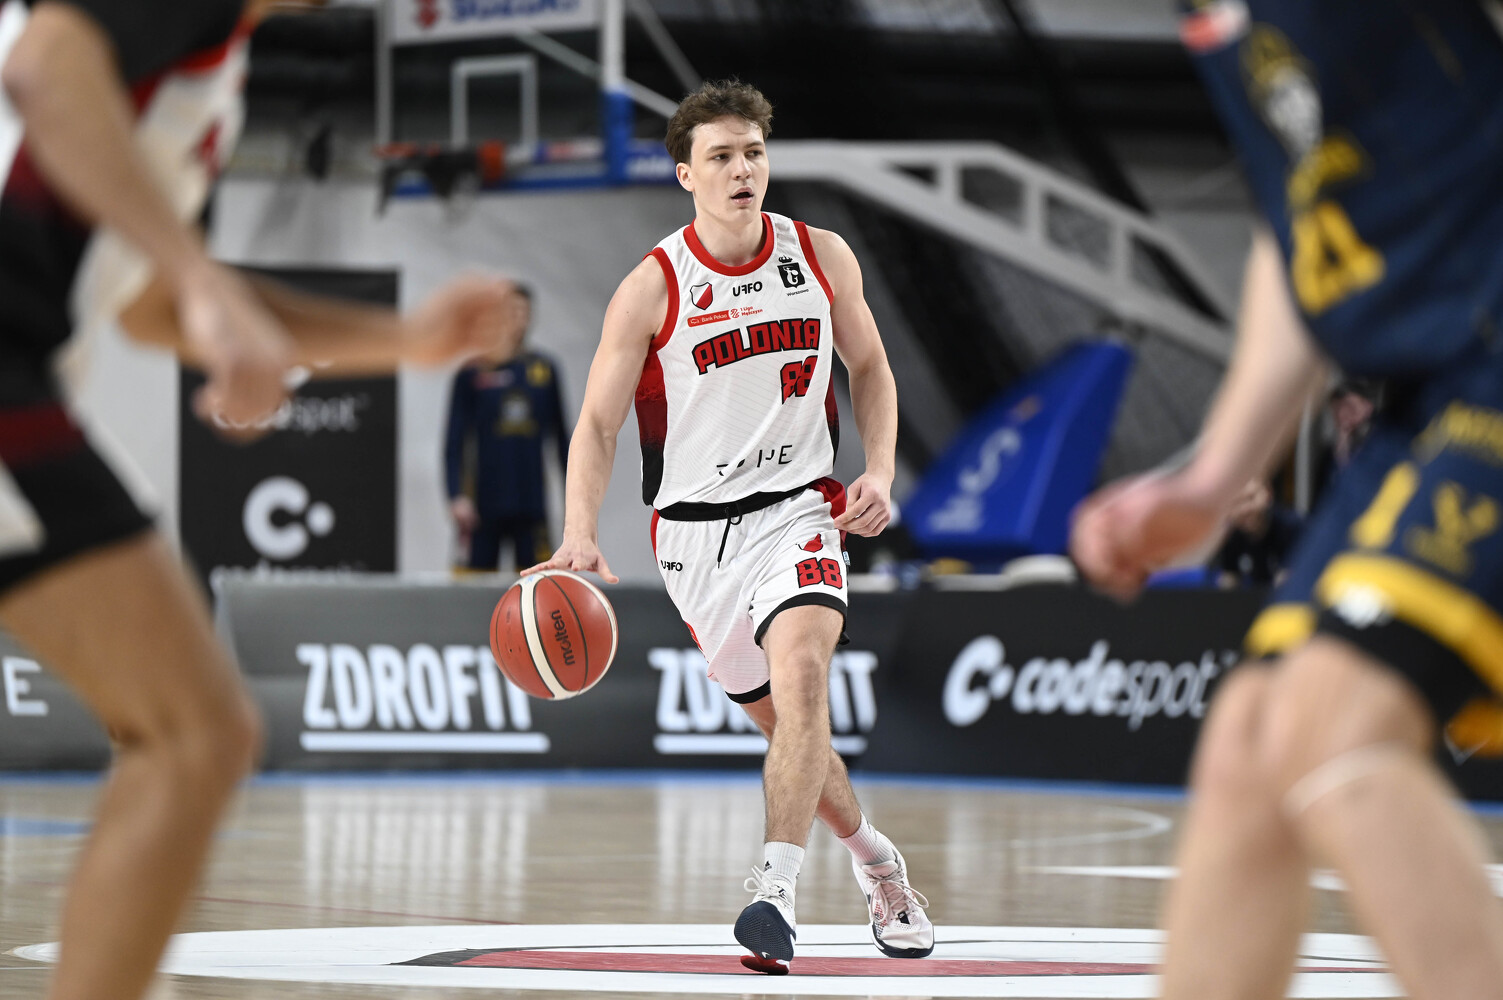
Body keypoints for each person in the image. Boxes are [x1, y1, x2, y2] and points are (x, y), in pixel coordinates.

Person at [0, 4, 525, 1000]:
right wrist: (202, 285)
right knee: (193, 733)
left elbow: (149, 303)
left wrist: (405, 341)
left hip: (25, 370)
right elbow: (44, 66)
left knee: (192, 734)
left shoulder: (215, 79)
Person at [1070, 3, 1503, 997]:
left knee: (1332, 727)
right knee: (1249, 745)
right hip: (1422, 399)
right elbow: (1299, 229)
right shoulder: (1215, 20)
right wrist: (1214, 476)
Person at [523, 80, 933, 974]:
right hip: (693, 541)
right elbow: (597, 425)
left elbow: (870, 367)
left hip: (799, 511)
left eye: (753, 153)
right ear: (685, 174)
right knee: (790, 734)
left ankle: (771, 895)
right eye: (720, 157)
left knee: (804, 677)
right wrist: (578, 531)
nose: (742, 170)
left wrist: (877, 470)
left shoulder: (820, 256)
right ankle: (878, 864)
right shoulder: (652, 287)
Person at [444, 287, 571, 571]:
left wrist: (576, 502)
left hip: (531, 503)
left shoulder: (544, 370)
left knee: (539, 585)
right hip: (482, 506)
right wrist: (456, 495)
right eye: (510, 311)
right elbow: (454, 441)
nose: (517, 319)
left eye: (523, 312)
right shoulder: (472, 372)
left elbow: (563, 441)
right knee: (474, 586)